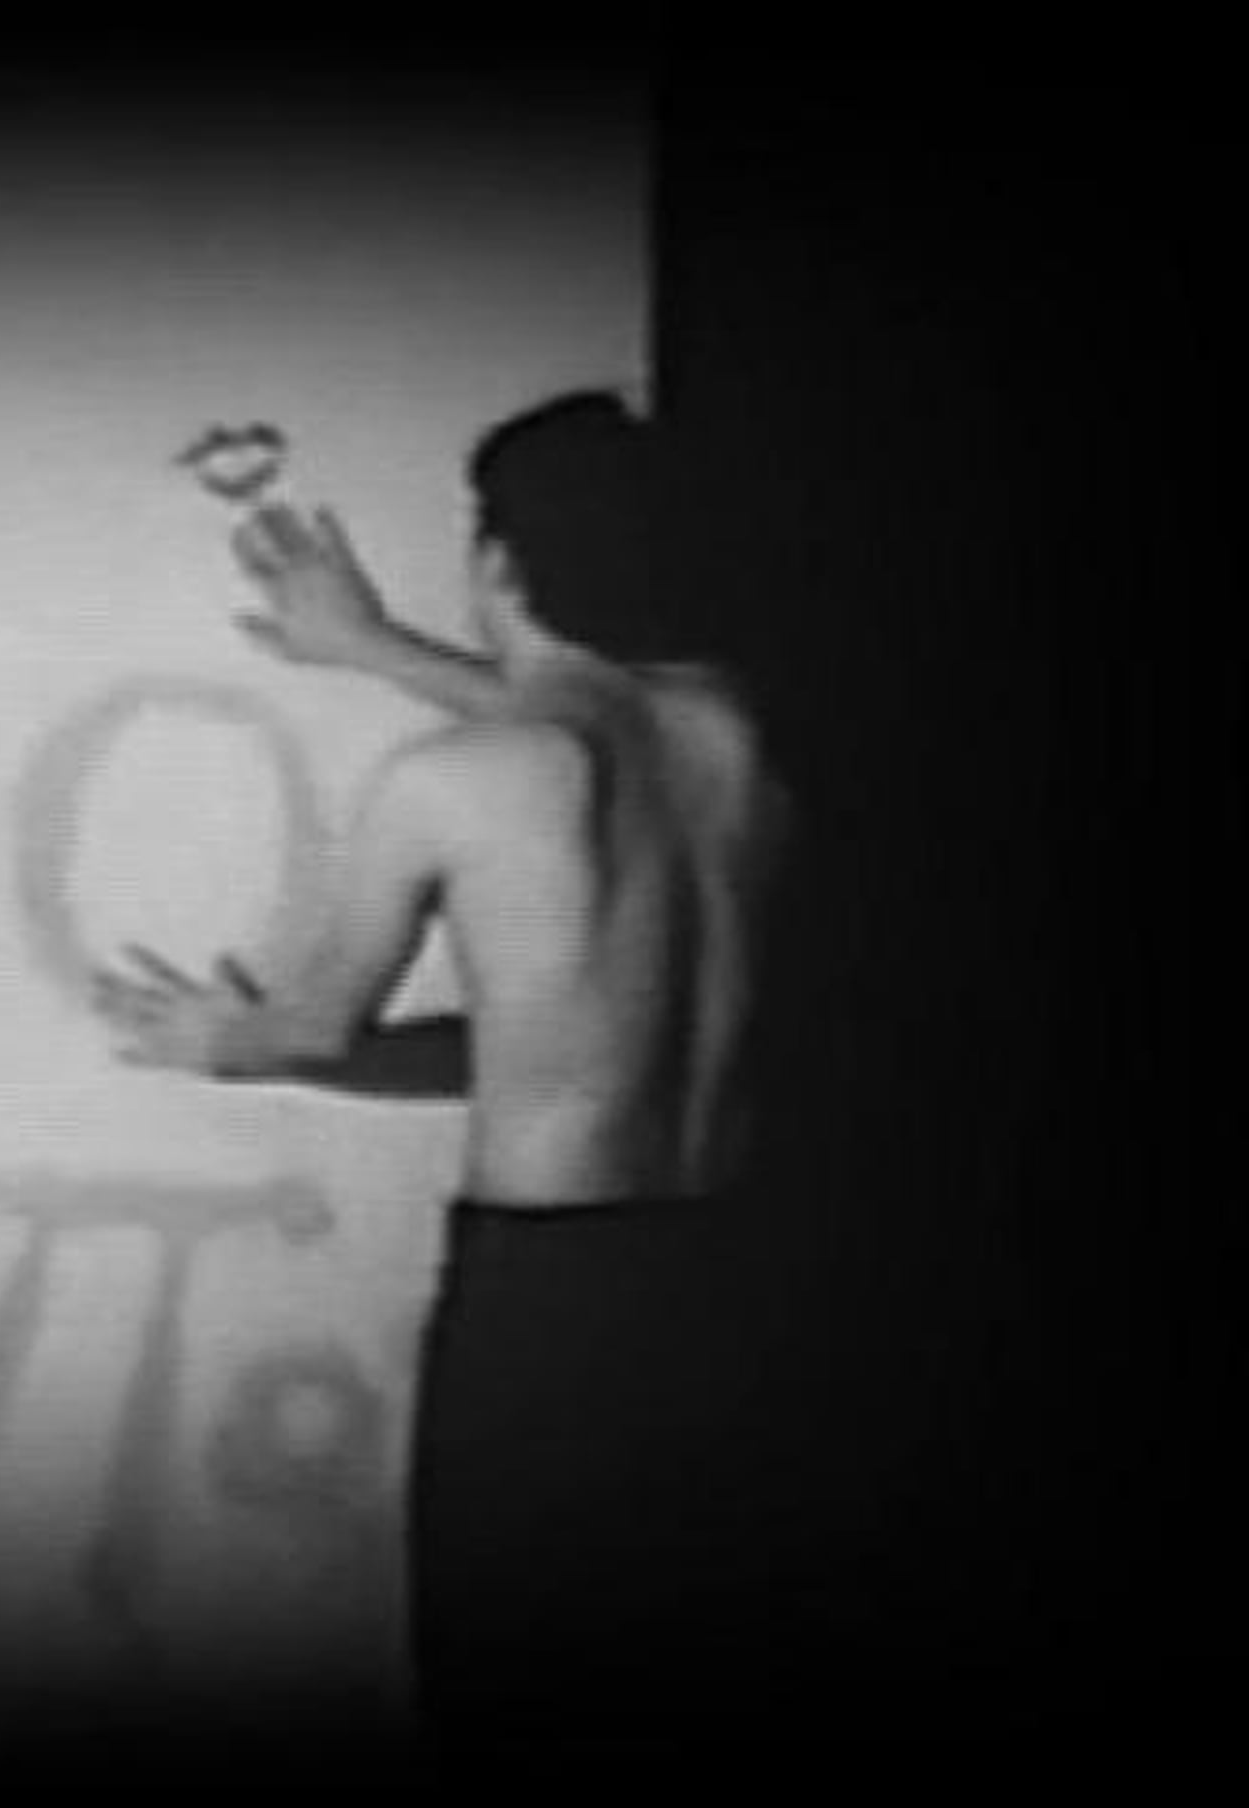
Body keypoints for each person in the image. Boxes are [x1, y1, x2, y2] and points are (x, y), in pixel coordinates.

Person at [91, 391, 792, 1744]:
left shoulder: (458, 778)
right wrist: (372, 647)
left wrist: (217, 1040)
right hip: (727, 1272)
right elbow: (596, 729)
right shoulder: (734, 738)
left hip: (555, 1299)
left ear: (498, 564)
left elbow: (312, 1025)